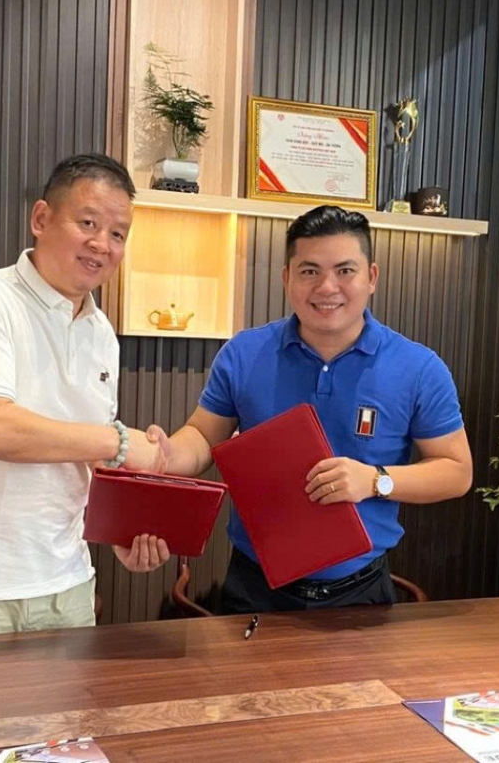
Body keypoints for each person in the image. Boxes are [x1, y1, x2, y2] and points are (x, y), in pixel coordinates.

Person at [0, 154, 170, 642]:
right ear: (41, 218)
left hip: (66, 588)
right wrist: (120, 442)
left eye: (118, 234)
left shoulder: (102, 334)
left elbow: (87, 459)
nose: (102, 244)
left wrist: (122, 530)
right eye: (88, 223)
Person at [156, 205, 473, 613]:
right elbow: (202, 436)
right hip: (254, 585)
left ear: (371, 277)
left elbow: (456, 471)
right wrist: (163, 453)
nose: (327, 287)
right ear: (287, 278)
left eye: (345, 270)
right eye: (309, 271)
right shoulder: (244, 353)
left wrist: (375, 480)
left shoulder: (419, 367)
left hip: (361, 592)